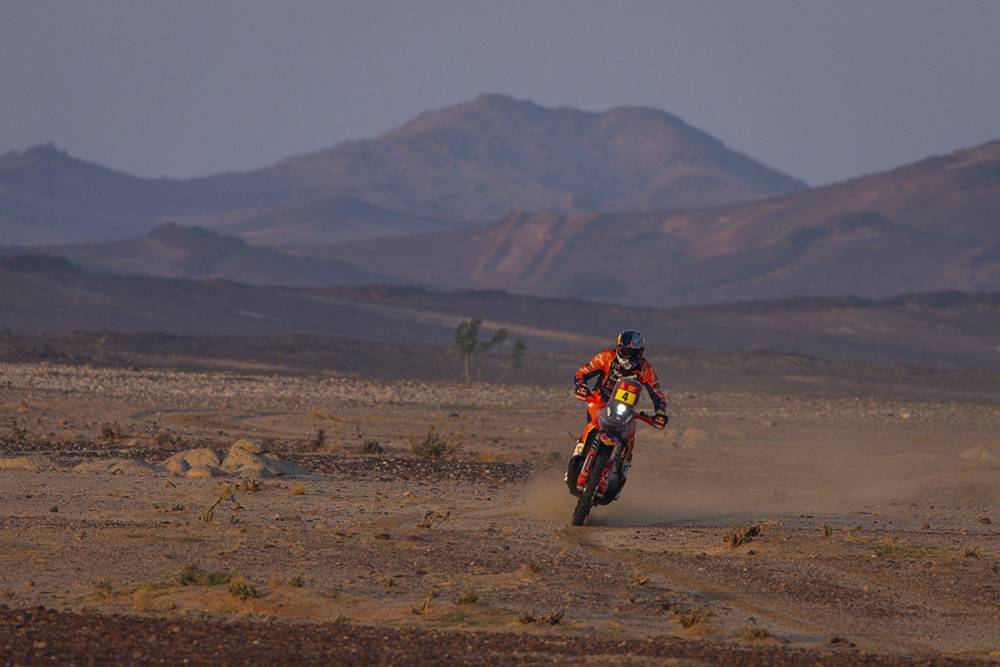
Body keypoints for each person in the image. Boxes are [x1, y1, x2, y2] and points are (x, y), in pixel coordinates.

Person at [566, 330, 668, 500]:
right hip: (600, 402)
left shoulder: (645, 368)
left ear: (640, 352)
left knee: (630, 439)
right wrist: (581, 386)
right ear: (619, 348)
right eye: (626, 351)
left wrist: (660, 413)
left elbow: (656, 393)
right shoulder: (606, 357)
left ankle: (620, 473)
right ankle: (579, 455)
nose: (629, 356)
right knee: (592, 423)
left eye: (633, 352)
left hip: (626, 410)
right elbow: (582, 372)